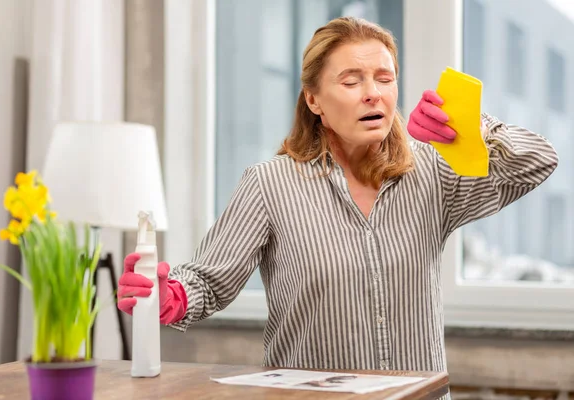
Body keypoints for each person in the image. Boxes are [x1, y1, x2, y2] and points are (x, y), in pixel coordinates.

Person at [117, 16, 557, 378]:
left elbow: (539, 161)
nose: (373, 92)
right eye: (352, 81)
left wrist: (473, 126)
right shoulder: (270, 185)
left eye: (385, 78)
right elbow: (209, 282)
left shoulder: (431, 174)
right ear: (314, 99)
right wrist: (168, 295)